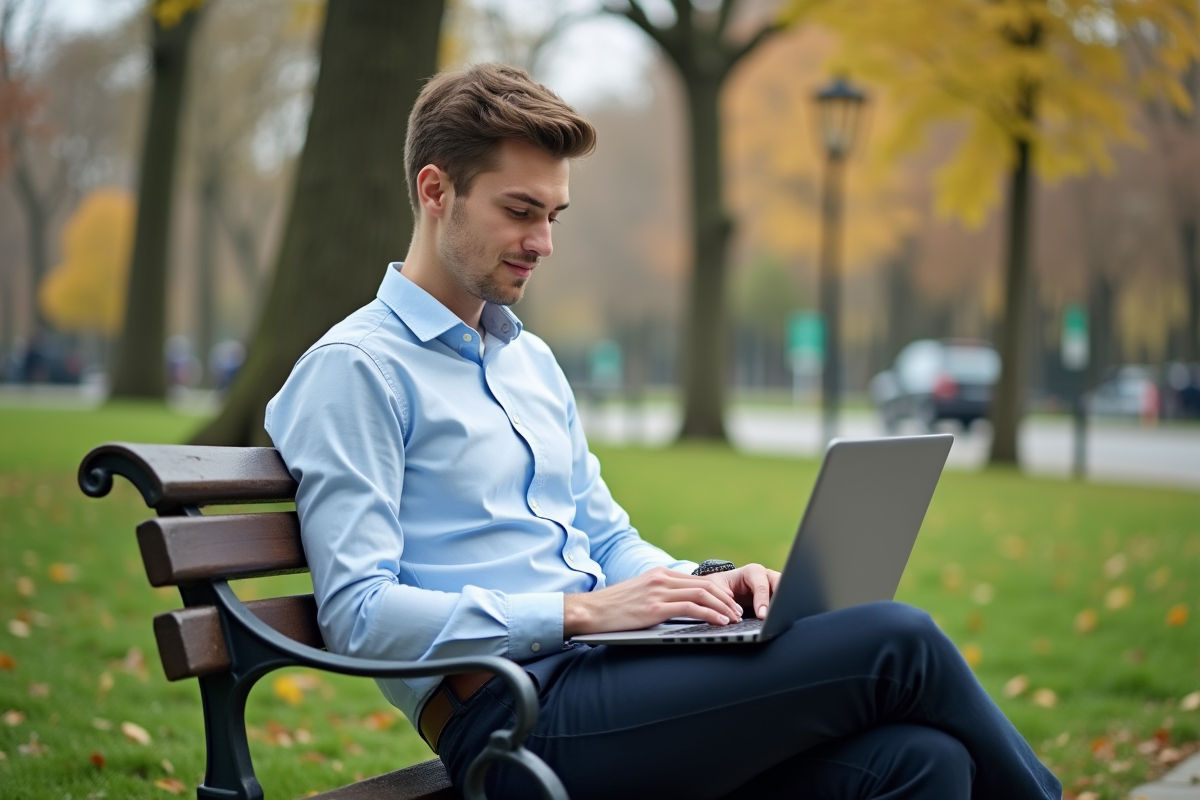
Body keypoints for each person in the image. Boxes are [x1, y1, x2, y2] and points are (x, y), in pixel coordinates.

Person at [265, 63, 1061, 800]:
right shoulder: (358, 371)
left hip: (615, 679)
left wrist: (701, 584)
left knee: (922, 765)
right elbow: (360, 614)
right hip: (516, 724)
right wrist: (576, 614)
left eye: (553, 215)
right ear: (435, 191)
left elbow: (608, 539)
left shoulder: (529, 361)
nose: (543, 243)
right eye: (519, 211)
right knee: (899, 639)